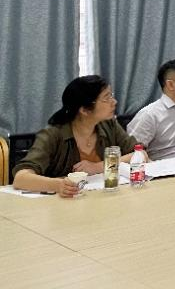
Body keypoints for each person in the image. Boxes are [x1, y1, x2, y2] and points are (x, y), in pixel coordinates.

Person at [12, 75, 141, 198]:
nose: (114, 102)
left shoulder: (109, 125)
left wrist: (98, 166)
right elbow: (20, 178)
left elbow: (140, 154)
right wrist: (58, 185)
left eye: (111, 95)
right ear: (84, 110)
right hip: (62, 203)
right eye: (106, 98)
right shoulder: (53, 134)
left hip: (102, 198)